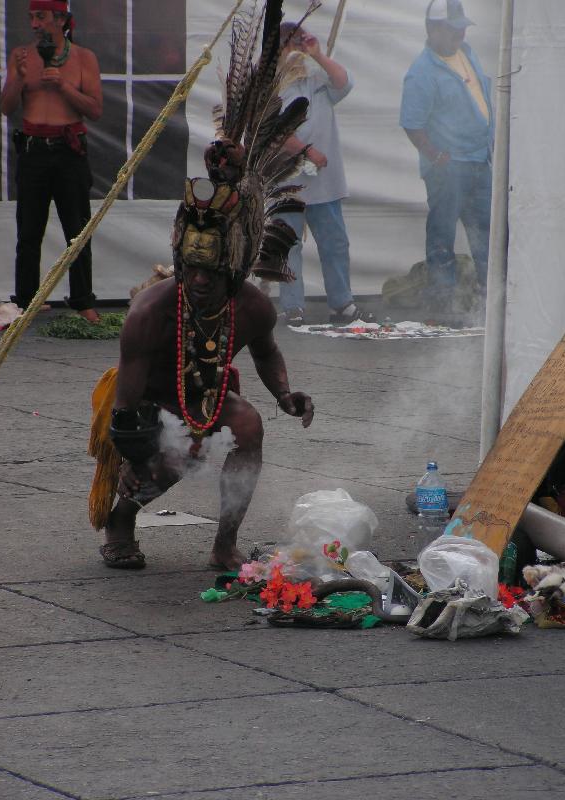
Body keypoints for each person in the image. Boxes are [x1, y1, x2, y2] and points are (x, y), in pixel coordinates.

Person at [88, 1, 315, 572]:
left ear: (234, 271)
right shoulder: (151, 312)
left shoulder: (252, 306)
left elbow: (266, 352)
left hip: (210, 395)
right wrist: (140, 447)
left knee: (249, 425)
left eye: (210, 276)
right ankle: (121, 520)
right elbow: (128, 409)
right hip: (152, 406)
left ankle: (223, 542)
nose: (198, 284)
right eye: (189, 272)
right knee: (173, 452)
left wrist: (286, 395)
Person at [0, 0, 102, 323]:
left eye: (40, 17)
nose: (34, 24)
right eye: (31, 18)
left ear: (60, 19)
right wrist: (17, 77)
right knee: (28, 230)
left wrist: (63, 86)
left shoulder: (85, 57)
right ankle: (26, 301)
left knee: (78, 230)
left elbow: (95, 109)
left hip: (69, 149)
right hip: (32, 149)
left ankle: (83, 300)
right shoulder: (22, 55)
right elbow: (5, 107)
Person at [400, 0, 494, 313]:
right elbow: (412, 123)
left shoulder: (466, 53)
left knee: (487, 234)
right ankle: (444, 306)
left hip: (480, 160)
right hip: (449, 167)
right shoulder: (421, 72)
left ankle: (488, 300)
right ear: (433, 30)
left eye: (463, 27)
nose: (460, 34)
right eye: (454, 29)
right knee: (442, 236)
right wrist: (436, 155)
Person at [276, 22, 368, 327]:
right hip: (286, 181)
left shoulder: (318, 76)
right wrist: (305, 151)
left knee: (334, 243)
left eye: (301, 43)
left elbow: (345, 83)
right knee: (288, 244)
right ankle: (293, 306)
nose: (297, 51)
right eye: (292, 44)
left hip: (324, 182)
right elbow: (272, 132)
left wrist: (318, 54)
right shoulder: (269, 84)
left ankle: (342, 303)